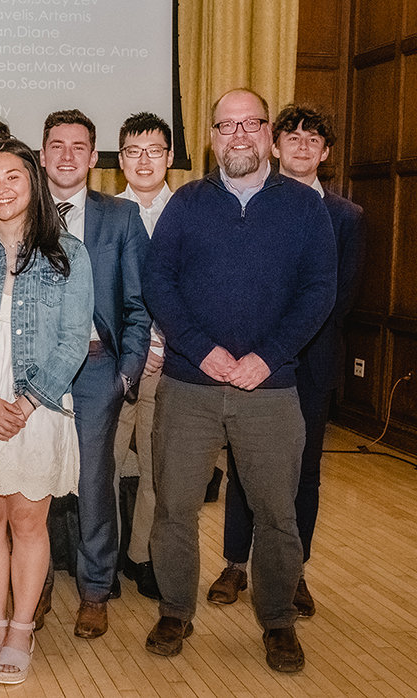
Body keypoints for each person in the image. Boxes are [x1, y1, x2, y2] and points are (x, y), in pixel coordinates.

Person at [143, 88, 336, 673]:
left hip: (270, 388)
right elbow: (159, 282)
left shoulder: (305, 209)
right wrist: (201, 352)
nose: (238, 136)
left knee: (277, 511)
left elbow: (318, 292)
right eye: (225, 127)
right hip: (189, 384)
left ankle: (277, 620)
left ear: (268, 133)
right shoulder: (187, 203)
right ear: (211, 139)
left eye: (250, 124)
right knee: (175, 507)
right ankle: (175, 609)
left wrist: (267, 357)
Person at [0, 138, 93, 685]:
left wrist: (28, 400)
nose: (0, 189)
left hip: (40, 402)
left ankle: (23, 628)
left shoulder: (67, 253)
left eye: (13, 178)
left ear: (34, 183)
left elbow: (75, 339)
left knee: (29, 521)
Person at [208, 103, 364, 618]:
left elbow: (337, 297)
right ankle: (235, 564)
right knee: (243, 467)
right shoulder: (254, 203)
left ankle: (292, 572)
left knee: (303, 474)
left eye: (312, 139)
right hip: (249, 364)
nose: (301, 145)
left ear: (326, 153)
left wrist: (279, 349)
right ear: (274, 145)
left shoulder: (346, 216)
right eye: (291, 137)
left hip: (309, 367)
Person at [41, 109, 151, 639]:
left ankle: (94, 590)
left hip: (96, 368)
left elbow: (137, 302)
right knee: (32, 483)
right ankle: (32, 589)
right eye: (57, 145)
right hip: (31, 371)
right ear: (42, 154)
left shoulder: (120, 218)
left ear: (93, 156)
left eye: (78, 146)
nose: (67, 155)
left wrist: (127, 372)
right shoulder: (20, 209)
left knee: (92, 484)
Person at [111, 111, 175, 601]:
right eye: (133, 151)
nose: (144, 160)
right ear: (120, 160)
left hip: (172, 364)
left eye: (154, 150)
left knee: (158, 470)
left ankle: (143, 557)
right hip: (118, 363)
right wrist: (137, 347)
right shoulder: (108, 214)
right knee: (104, 468)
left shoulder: (189, 213)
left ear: (169, 158)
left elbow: (197, 292)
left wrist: (162, 343)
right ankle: (106, 559)